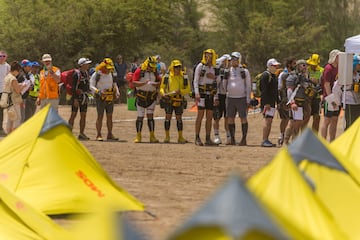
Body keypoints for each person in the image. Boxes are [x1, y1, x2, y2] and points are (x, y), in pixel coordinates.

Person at [223, 51, 251, 146]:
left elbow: (248, 85)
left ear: (238, 60)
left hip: (241, 98)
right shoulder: (227, 71)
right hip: (230, 97)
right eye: (232, 59)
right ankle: (233, 138)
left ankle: (244, 139)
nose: (233, 61)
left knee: (243, 118)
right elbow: (224, 84)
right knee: (230, 118)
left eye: (235, 59)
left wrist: (248, 98)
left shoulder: (244, 71)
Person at [159, 60, 190, 143]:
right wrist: (163, 94)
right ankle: (167, 136)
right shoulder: (167, 76)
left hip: (179, 99)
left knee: (179, 118)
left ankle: (180, 137)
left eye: (179, 67)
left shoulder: (184, 76)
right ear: (172, 67)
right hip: (169, 100)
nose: (178, 69)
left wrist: (180, 91)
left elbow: (188, 89)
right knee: (167, 117)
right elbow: (162, 87)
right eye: (176, 67)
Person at [132, 56, 161, 143]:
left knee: (150, 116)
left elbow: (160, 81)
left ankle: (152, 136)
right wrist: (143, 83)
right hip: (141, 96)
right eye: (150, 66)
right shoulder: (139, 70)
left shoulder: (155, 71)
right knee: (140, 116)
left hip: (151, 97)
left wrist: (156, 84)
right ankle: (138, 136)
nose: (152, 68)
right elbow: (134, 82)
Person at [284, 59, 314, 144]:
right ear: (298, 66)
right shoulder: (293, 76)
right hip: (296, 102)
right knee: (295, 123)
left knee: (303, 122)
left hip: (305, 102)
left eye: (306, 65)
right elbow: (289, 91)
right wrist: (292, 103)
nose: (306, 67)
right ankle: (289, 141)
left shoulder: (305, 77)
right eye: (303, 65)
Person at [90, 58, 120, 141]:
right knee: (100, 116)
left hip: (110, 96)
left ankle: (110, 134)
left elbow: (114, 83)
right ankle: (98, 134)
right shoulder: (97, 74)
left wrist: (117, 91)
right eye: (108, 68)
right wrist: (98, 91)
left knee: (109, 116)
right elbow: (91, 86)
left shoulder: (111, 74)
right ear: (103, 67)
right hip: (100, 97)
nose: (109, 70)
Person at [193, 48, 219, 146]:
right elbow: (195, 80)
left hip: (211, 93)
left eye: (210, 55)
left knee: (209, 116)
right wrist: (196, 93)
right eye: (206, 55)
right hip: (202, 93)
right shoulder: (201, 66)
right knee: (200, 115)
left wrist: (214, 78)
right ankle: (197, 137)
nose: (208, 57)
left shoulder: (214, 68)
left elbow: (218, 82)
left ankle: (208, 138)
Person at [333, 55, 360, 129]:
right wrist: (338, 102)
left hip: (358, 102)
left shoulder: (358, 75)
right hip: (349, 102)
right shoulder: (345, 75)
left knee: (357, 124)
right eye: (358, 64)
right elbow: (336, 88)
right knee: (350, 124)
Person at [68, 57, 92, 140]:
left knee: (83, 115)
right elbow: (73, 87)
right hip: (77, 97)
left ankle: (81, 133)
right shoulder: (76, 74)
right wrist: (75, 99)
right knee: (73, 115)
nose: (88, 65)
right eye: (86, 64)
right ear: (82, 65)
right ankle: (69, 133)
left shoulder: (86, 73)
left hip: (84, 97)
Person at [320, 49, 341, 141]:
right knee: (327, 120)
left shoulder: (339, 67)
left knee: (335, 120)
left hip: (337, 96)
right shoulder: (328, 68)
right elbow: (326, 84)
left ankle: (332, 140)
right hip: (329, 97)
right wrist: (330, 99)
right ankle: (323, 141)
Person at [260, 58, 281, 147]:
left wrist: (277, 101)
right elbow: (264, 90)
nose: (276, 67)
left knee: (270, 120)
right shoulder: (265, 75)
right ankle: (264, 140)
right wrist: (266, 103)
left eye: (276, 66)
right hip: (267, 103)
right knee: (267, 120)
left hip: (272, 102)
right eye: (274, 66)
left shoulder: (273, 76)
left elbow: (275, 90)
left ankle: (266, 139)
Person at [2, 61, 27, 133]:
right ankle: (15, 133)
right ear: (16, 70)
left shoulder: (7, 77)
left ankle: (8, 133)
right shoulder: (13, 79)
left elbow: (10, 87)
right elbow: (18, 91)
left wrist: (18, 84)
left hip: (7, 100)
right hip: (14, 101)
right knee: (17, 118)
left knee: (10, 118)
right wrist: (23, 86)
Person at [277, 57, 297, 146]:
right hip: (285, 99)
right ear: (289, 64)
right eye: (294, 63)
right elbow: (279, 88)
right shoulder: (283, 75)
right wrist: (280, 101)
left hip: (293, 99)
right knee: (285, 119)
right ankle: (281, 136)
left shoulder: (295, 74)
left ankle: (290, 138)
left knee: (292, 119)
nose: (295, 65)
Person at [213, 54, 231, 145]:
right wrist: (215, 97)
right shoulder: (219, 72)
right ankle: (216, 136)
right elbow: (216, 84)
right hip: (219, 96)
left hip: (228, 96)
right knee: (217, 117)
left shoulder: (230, 71)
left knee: (227, 117)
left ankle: (228, 136)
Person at [306, 53, 324, 132]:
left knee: (317, 117)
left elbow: (323, 83)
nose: (312, 66)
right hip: (307, 97)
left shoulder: (322, 71)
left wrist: (317, 82)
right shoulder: (307, 70)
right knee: (305, 117)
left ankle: (314, 136)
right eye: (311, 64)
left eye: (314, 64)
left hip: (316, 97)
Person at [0, 50, 10, 135]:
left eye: (3, 56)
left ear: (6, 57)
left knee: (1, 110)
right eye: (0, 56)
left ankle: (1, 128)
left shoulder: (7, 66)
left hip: (3, 91)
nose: (2, 58)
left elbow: (8, 78)